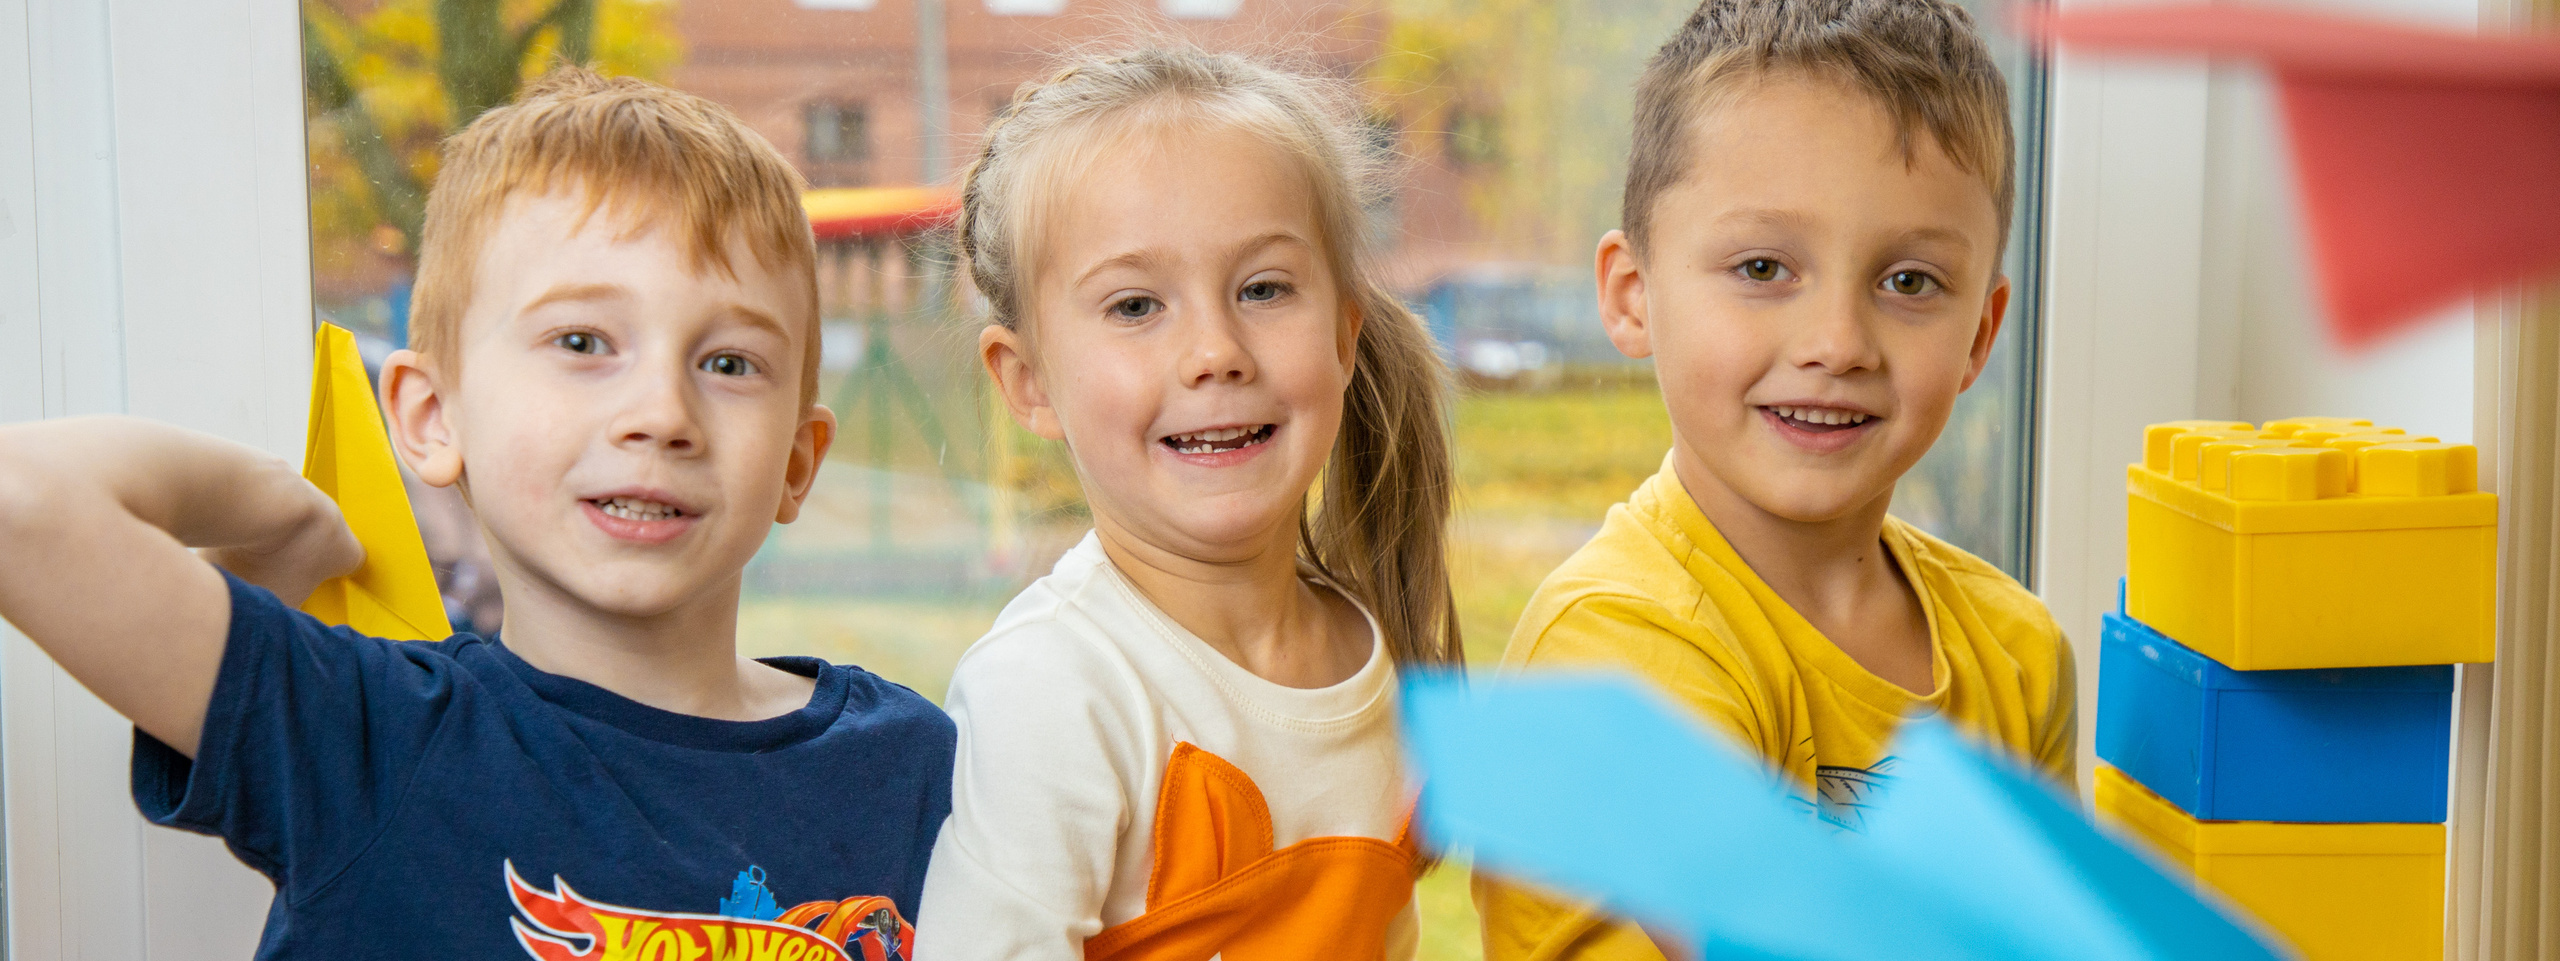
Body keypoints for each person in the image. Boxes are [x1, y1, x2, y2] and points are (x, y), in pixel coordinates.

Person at [0, 69, 954, 960]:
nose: (662, 414)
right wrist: (282, 518)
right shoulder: (363, 736)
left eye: (729, 362)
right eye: (583, 340)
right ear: (431, 415)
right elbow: (22, 499)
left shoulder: (920, 768)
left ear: (797, 460)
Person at [1472, 1, 2075, 958]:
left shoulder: (2017, 652)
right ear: (1634, 297)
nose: (1837, 343)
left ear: (1981, 337)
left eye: (1909, 281)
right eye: (1763, 266)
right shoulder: (1618, 654)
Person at [913, 46, 1462, 961]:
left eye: (1262, 289)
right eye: (1135, 306)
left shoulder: (1378, 648)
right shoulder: (1054, 688)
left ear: (1342, 335)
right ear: (1029, 381)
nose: (1215, 350)